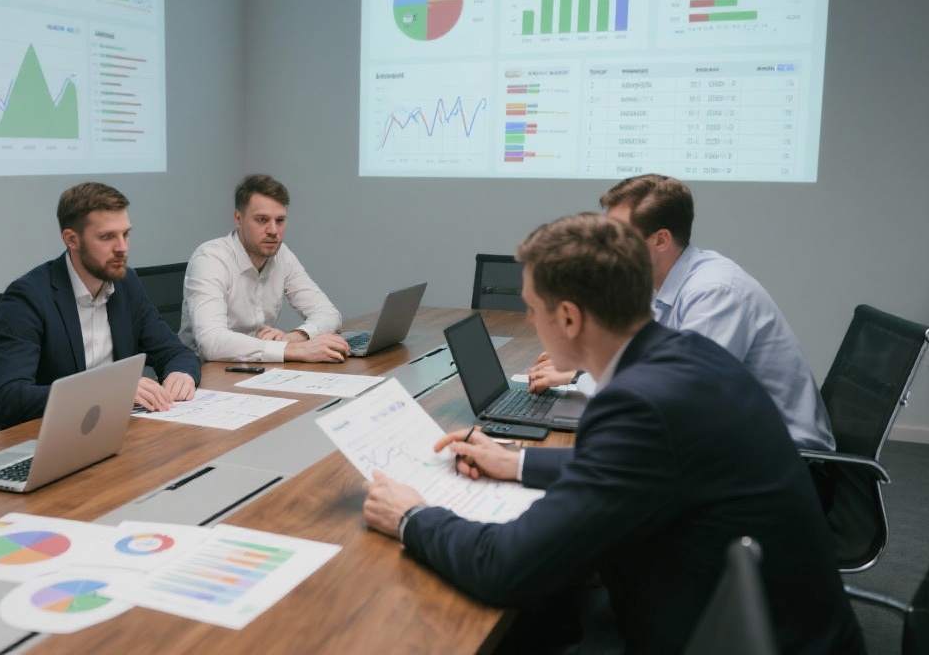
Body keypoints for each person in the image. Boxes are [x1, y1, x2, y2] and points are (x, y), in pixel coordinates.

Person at [363, 213, 863, 654]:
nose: (532, 322)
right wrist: (515, 461)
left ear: (569, 318)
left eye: (532, 309)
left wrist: (411, 516)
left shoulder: (639, 404)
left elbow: (507, 567)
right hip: (777, 623)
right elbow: (642, 466)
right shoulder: (685, 353)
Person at [528, 173, 834, 451]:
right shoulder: (661, 285)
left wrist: (583, 377)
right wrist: (581, 372)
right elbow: (649, 369)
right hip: (732, 445)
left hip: (786, 460)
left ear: (660, 239)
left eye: (619, 237)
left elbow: (678, 397)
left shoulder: (713, 293)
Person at [0, 182, 200, 427]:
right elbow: (8, 398)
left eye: (125, 234)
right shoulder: (29, 296)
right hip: (56, 435)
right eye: (107, 237)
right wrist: (110, 393)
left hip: (117, 427)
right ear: (71, 239)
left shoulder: (126, 283)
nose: (122, 248)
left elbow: (175, 351)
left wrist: (181, 374)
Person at [179, 174, 349, 362]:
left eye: (280, 220)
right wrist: (294, 350)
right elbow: (211, 343)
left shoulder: (282, 255)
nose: (273, 230)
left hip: (258, 368)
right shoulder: (210, 259)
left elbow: (329, 314)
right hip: (204, 373)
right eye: (262, 220)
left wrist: (297, 336)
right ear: (238, 218)